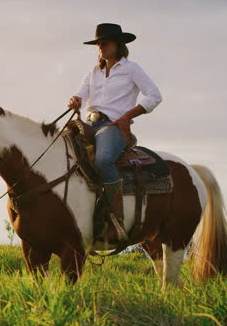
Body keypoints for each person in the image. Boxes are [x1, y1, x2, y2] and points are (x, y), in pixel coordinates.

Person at [67, 23, 163, 249]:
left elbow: (154, 96)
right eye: (98, 43)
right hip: (89, 123)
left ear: (118, 45)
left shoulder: (132, 69)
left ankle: (116, 216)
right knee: (60, 149)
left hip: (113, 125)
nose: (100, 46)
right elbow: (81, 94)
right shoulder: (93, 71)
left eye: (105, 42)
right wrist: (75, 100)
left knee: (103, 160)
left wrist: (128, 116)